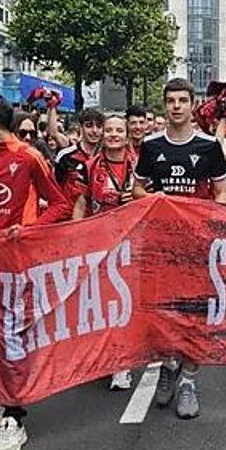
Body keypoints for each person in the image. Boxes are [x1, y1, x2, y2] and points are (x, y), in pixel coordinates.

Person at [0, 94, 70, 450]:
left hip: (18, 265)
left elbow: (59, 204)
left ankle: (14, 418)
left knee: (12, 336)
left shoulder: (28, 156)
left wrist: (29, 229)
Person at [133, 78, 226, 420]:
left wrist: (207, 220)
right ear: (164, 105)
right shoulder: (150, 145)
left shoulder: (208, 146)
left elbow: (222, 192)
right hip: (160, 245)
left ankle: (188, 380)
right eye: (171, 100)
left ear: (192, 105)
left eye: (182, 101)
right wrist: (155, 199)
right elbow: (137, 190)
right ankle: (168, 363)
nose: (176, 106)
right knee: (162, 312)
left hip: (196, 247)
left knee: (195, 315)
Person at [70, 114, 136, 390]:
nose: (112, 135)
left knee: (124, 301)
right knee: (99, 301)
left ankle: (122, 362)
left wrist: (137, 196)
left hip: (131, 242)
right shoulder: (90, 166)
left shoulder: (137, 165)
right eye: (109, 130)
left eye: (118, 130)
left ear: (126, 134)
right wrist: (74, 236)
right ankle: (102, 357)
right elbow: (80, 201)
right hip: (97, 242)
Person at [54, 109, 104, 199]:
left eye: (99, 126)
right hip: (70, 211)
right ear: (81, 128)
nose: (94, 130)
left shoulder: (108, 157)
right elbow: (54, 188)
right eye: (89, 126)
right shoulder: (65, 155)